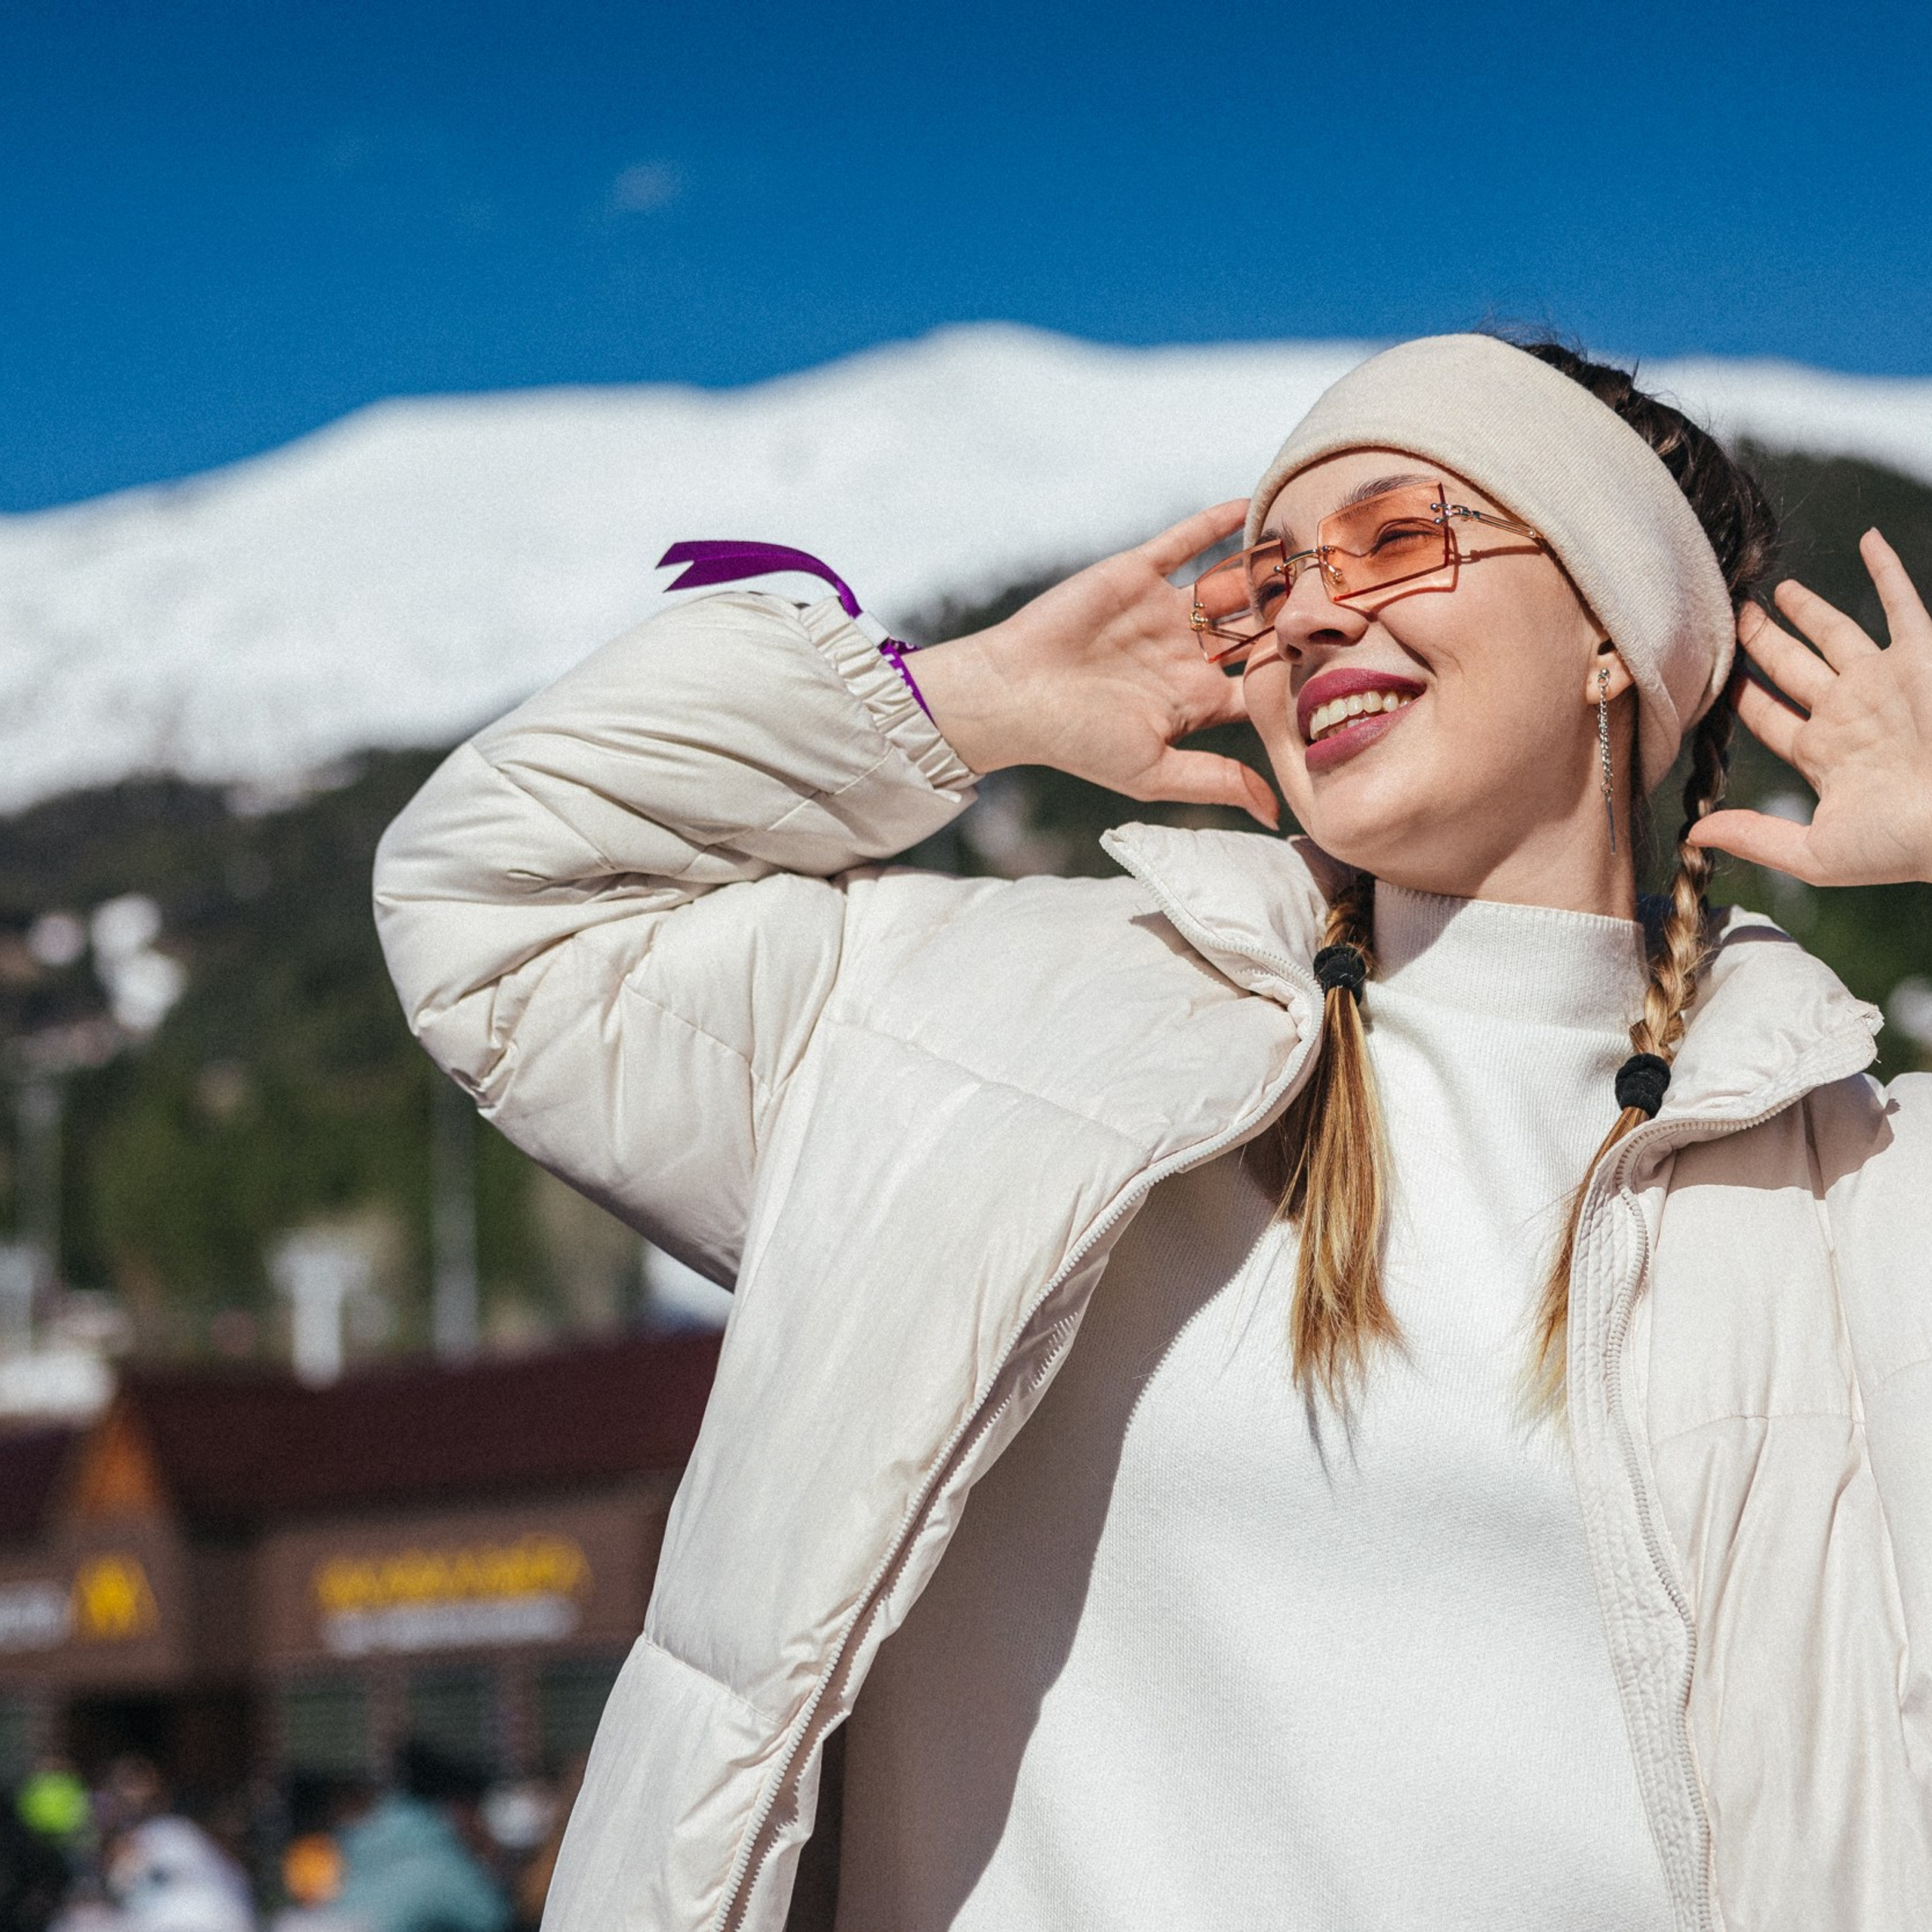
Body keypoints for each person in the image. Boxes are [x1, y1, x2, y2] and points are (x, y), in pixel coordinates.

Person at [373, 334, 1932, 1930]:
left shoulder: (1853, 1188)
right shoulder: (987, 1021)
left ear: (1613, 635)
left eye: (1395, 539)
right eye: (1269, 583)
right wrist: (966, 703)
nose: (1309, 614)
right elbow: (498, 919)